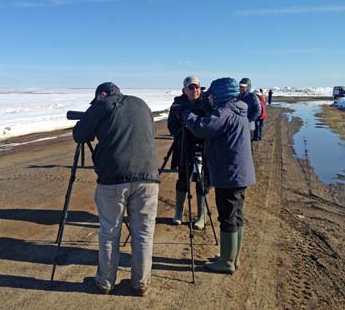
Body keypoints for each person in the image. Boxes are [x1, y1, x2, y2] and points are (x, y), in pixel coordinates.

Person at [73, 82, 160, 296]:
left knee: (110, 231)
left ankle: (105, 282)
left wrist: (93, 116)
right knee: (144, 233)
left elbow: (80, 135)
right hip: (148, 178)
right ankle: (140, 283)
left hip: (113, 179)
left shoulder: (102, 105)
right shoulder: (142, 104)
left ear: (102, 94)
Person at [184, 77, 256, 274]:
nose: (210, 98)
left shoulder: (225, 111)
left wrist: (188, 116)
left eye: (212, 95)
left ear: (220, 94)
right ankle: (233, 257)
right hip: (238, 172)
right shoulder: (239, 107)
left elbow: (204, 128)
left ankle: (226, 262)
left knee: (228, 217)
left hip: (230, 173)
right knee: (236, 216)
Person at [167, 76, 211, 228]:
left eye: (197, 87)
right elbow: (171, 125)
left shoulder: (207, 103)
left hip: (202, 148)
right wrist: (181, 132)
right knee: (183, 179)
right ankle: (178, 212)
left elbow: (212, 122)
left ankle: (201, 216)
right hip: (184, 147)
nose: (194, 90)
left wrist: (199, 130)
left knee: (202, 181)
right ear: (184, 90)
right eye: (191, 88)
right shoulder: (178, 104)